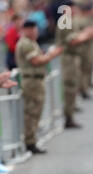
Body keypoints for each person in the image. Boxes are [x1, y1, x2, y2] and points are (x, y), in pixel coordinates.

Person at [15, 20, 63, 154]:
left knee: (36, 111)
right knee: (31, 112)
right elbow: (36, 61)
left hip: (36, 81)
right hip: (31, 81)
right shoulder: (25, 44)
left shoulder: (31, 43)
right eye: (32, 29)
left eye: (35, 29)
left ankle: (32, 139)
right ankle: (30, 142)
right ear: (26, 30)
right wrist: (51, 55)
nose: (34, 32)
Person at [55, 0, 93, 128]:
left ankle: (71, 113)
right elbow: (71, 41)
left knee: (73, 86)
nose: (74, 11)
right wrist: (86, 35)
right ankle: (68, 117)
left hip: (74, 57)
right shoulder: (65, 22)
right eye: (71, 9)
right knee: (70, 87)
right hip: (68, 58)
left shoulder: (71, 21)